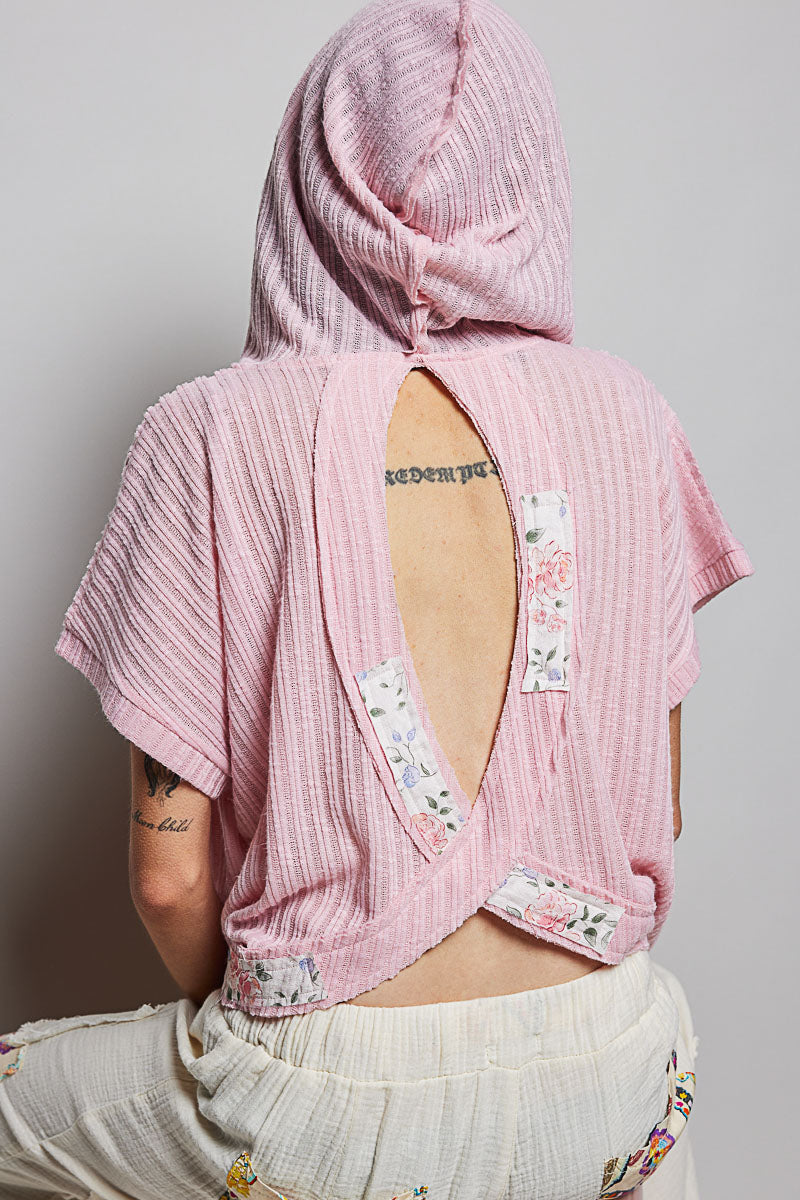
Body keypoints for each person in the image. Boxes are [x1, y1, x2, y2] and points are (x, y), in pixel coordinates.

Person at [0, 2, 754, 1198]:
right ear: (528, 183)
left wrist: (278, 1026)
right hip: (617, 1074)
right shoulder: (630, 417)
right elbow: (654, 810)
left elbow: (168, 878)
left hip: (319, 1111)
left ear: (311, 178)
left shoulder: (206, 437)